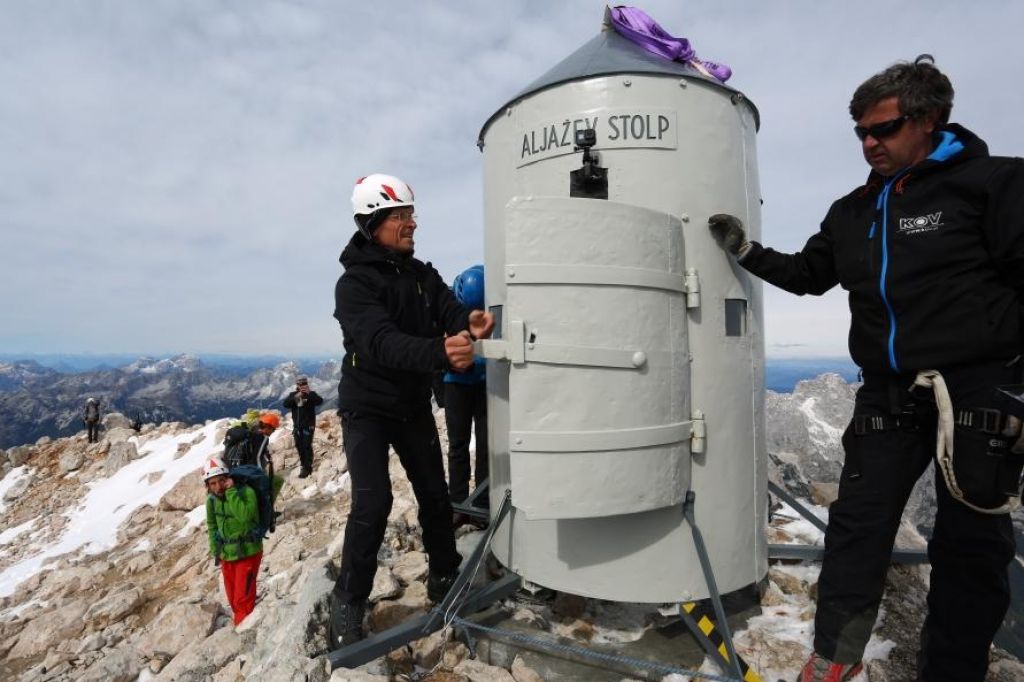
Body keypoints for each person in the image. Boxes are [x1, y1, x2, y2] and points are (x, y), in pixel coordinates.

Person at [709, 56, 1024, 682]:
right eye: (860, 132)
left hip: (978, 387)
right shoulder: (853, 210)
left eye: (883, 129)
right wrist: (746, 252)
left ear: (930, 118)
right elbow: (809, 275)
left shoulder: (994, 184)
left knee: (970, 544)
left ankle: (952, 670)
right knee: (856, 526)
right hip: (886, 390)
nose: (869, 144)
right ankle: (835, 656)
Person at [329, 173, 495, 648]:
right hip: (366, 409)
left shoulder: (421, 275)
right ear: (373, 223)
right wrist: (442, 353)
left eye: (410, 214)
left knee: (435, 496)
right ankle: (349, 604)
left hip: (410, 405)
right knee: (373, 502)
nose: (411, 224)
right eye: (400, 216)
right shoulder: (355, 285)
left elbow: (447, 308)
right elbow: (381, 344)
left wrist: (470, 321)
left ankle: (445, 576)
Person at [444, 264, 489, 527]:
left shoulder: (480, 287)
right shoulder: (448, 304)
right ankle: (463, 503)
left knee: (478, 445)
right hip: (460, 380)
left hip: (475, 380)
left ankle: (475, 504)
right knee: (462, 444)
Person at [203, 456, 263, 626]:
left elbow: (245, 517)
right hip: (226, 555)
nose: (218, 487)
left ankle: (243, 632)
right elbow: (212, 524)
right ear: (207, 485)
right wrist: (215, 549)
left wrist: (231, 492)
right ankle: (242, 622)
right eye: (212, 483)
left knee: (242, 598)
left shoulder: (246, 493)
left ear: (228, 478)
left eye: (221, 481)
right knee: (233, 598)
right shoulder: (211, 501)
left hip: (248, 551)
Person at [282, 377, 324, 478]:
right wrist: (296, 396)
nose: (302, 386)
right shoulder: (293, 395)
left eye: (304, 384)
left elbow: (319, 401)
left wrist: (309, 393)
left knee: (306, 446)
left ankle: (307, 467)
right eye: (300, 385)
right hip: (297, 426)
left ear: (307, 384)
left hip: (308, 426)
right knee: (299, 446)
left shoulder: (311, 394)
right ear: (297, 386)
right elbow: (285, 404)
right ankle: (303, 464)